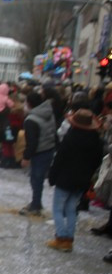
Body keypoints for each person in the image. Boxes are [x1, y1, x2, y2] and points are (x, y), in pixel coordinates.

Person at [46, 108, 104, 252]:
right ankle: (69, 240)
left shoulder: (70, 137)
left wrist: (52, 176)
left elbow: (59, 159)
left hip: (65, 179)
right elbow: (97, 162)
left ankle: (61, 238)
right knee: (72, 209)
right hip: (82, 181)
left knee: (58, 209)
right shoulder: (96, 140)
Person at [19, 91, 58, 216]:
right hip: (49, 147)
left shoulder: (31, 120)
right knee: (38, 179)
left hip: (39, 151)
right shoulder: (48, 112)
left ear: (29, 103)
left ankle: (35, 205)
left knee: (36, 179)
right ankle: (36, 203)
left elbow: (32, 141)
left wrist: (26, 157)